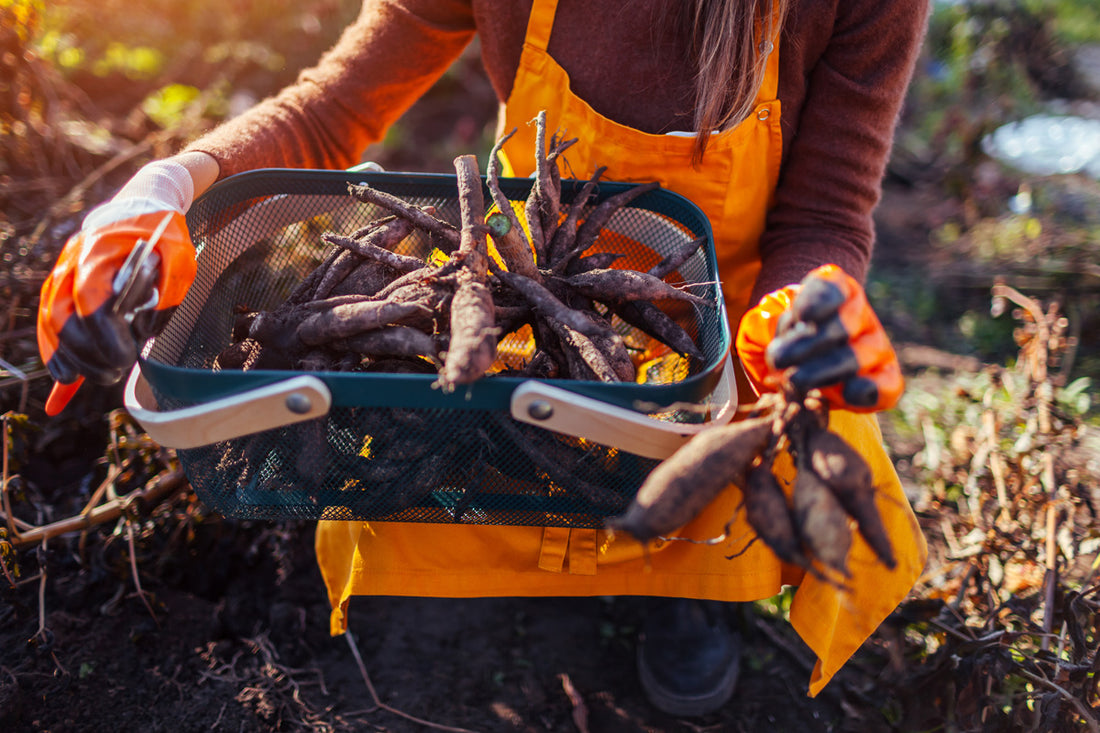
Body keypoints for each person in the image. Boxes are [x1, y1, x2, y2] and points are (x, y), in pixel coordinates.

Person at [37, 0, 930, 717]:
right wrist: (166, 185)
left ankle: (687, 586)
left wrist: (800, 313)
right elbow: (332, 108)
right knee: (442, 443)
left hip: (715, 337)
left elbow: (825, 216)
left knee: (737, 470)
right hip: (518, 304)